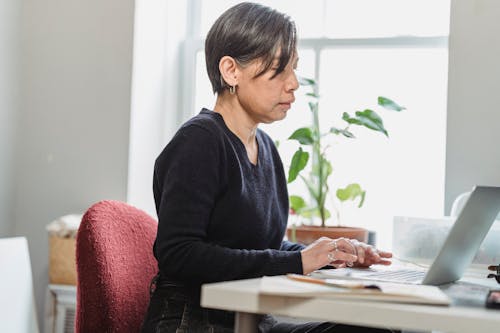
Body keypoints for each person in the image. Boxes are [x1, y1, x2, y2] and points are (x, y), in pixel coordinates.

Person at [141, 2, 395, 332]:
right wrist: (299, 260)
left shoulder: (266, 148)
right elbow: (179, 253)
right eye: (279, 69)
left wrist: (332, 256)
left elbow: (268, 249)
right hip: (194, 322)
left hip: (251, 322)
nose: (293, 84)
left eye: (294, 69)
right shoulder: (200, 141)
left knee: (377, 328)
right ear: (231, 70)